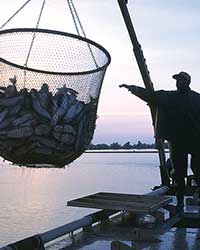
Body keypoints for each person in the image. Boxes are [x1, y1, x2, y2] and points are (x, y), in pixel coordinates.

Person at [119, 71, 200, 213]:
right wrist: (133, 89)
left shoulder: (197, 98)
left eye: (181, 80)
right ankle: (180, 204)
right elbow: (150, 95)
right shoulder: (169, 97)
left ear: (187, 82)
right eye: (177, 80)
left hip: (195, 141)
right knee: (179, 175)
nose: (178, 82)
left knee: (198, 170)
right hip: (176, 141)